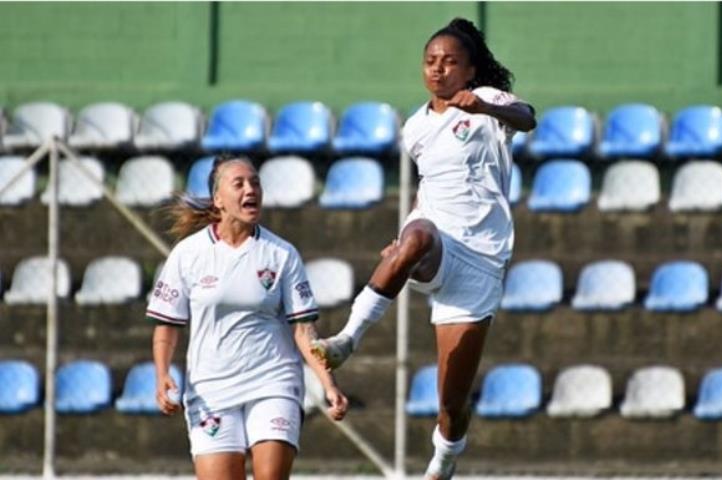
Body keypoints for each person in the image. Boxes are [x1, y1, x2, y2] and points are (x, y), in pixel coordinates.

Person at [311, 17, 536, 480]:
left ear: (470, 71)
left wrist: (487, 110)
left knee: (451, 404)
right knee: (416, 236)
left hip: (482, 259)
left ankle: (444, 460)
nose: (438, 69)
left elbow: (528, 118)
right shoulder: (415, 127)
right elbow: (427, 190)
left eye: (450, 62)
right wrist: (407, 236)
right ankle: (346, 339)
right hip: (437, 242)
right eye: (431, 61)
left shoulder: (489, 102)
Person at [148, 155, 348, 480]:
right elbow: (167, 325)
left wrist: (328, 384)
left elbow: (302, 330)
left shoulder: (281, 254)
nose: (250, 189)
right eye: (238, 183)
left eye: (255, 182)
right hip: (211, 387)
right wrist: (161, 374)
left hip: (273, 381)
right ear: (218, 199)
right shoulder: (188, 254)